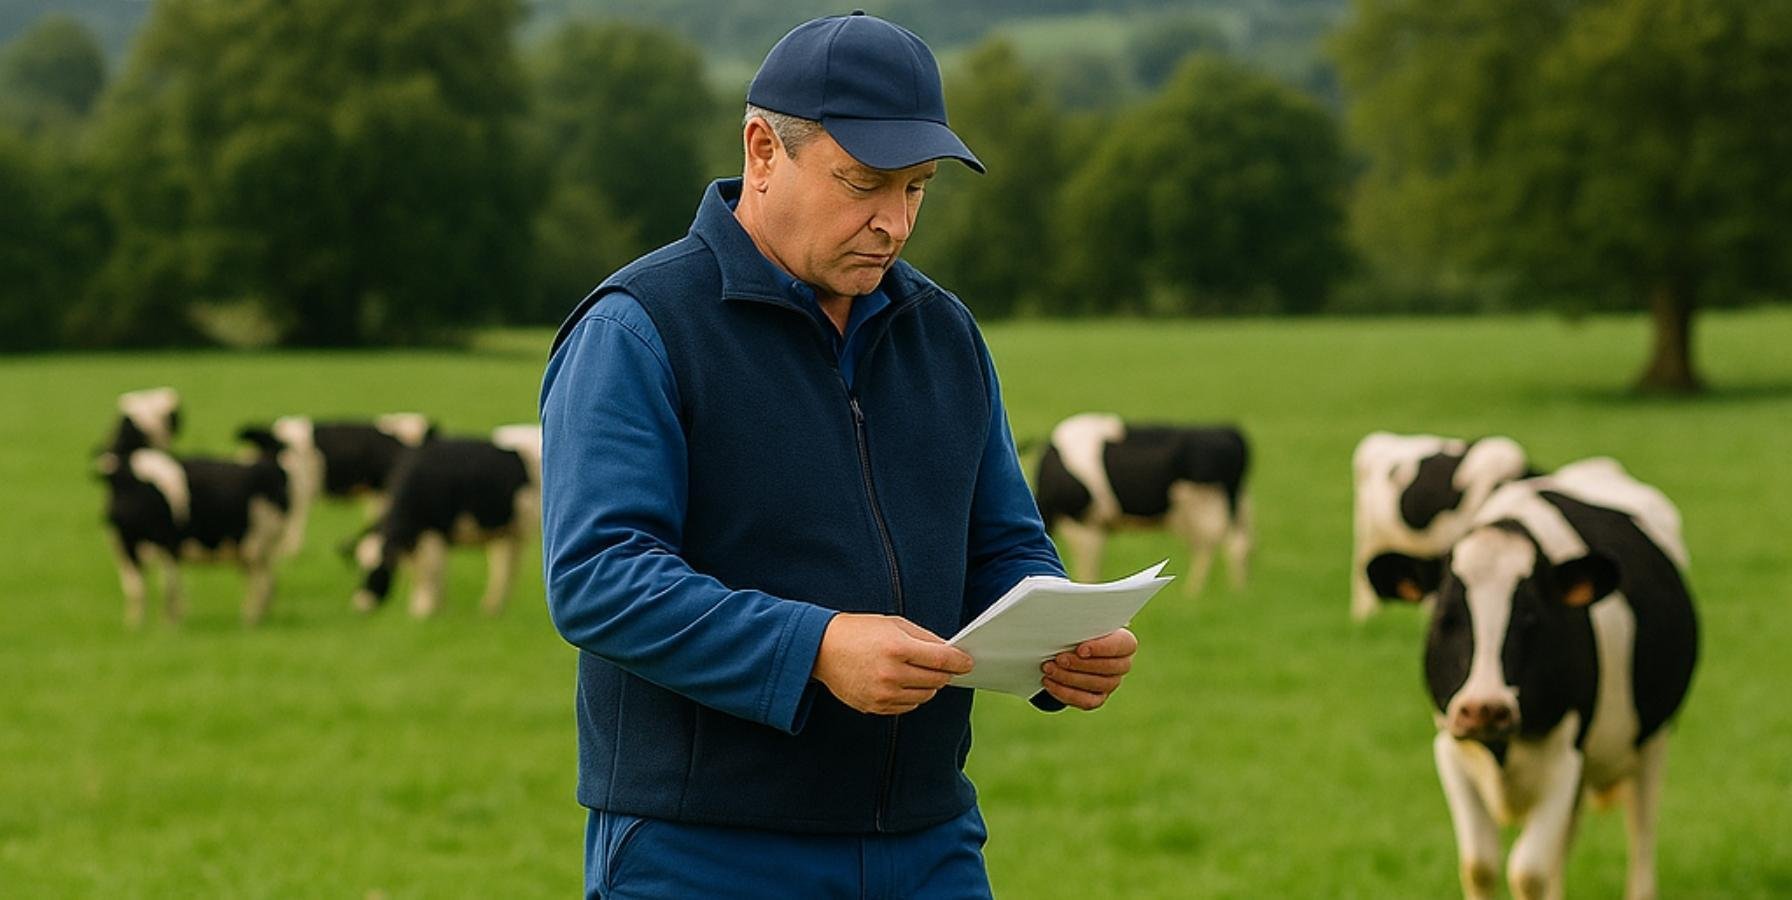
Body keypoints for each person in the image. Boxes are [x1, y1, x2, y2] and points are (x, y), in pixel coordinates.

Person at [539, 12, 1139, 898]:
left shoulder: (944, 333)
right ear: (762, 150)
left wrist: (1060, 640)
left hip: (929, 840)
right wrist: (814, 645)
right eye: (863, 184)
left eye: (918, 189)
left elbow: (1003, 546)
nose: (894, 223)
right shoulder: (640, 327)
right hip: (703, 851)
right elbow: (599, 575)